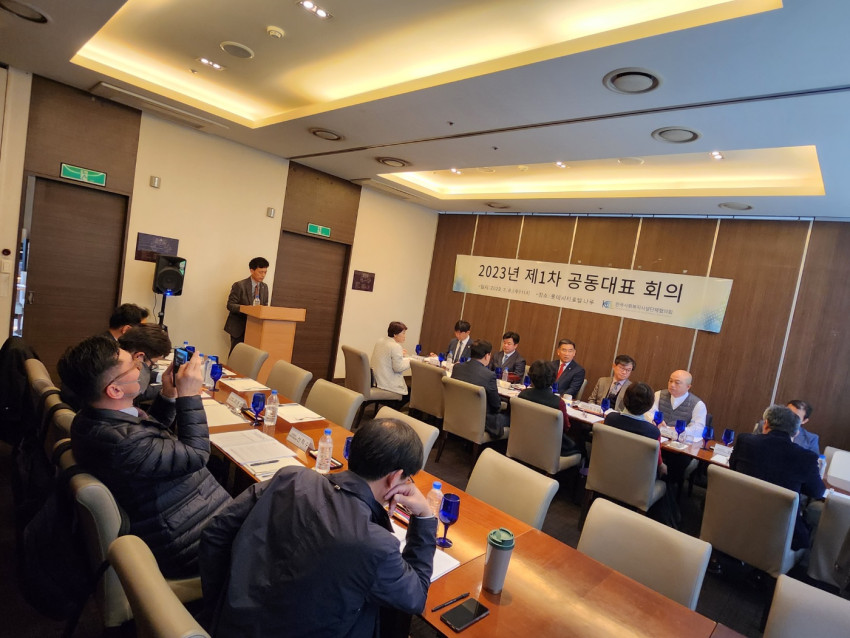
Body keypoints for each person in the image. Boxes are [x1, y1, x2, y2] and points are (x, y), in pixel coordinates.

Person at [199, 418, 437, 638]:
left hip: (232, 624)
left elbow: (217, 532)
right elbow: (416, 598)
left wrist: (219, 606)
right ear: (395, 477)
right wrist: (425, 516)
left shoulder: (291, 477)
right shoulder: (377, 544)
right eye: (407, 479)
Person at [57, 335, 231, 578]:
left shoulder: (95, 418)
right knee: (281, 487)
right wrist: (189, 396)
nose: (141, 368)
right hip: (192, 543)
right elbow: (197, 455)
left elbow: (150, 443)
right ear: (115, 390)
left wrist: (168, 395)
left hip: (187, 514)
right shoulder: (123, 443)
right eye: (134, 366)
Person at [730, 404, 825, 549]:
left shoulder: (745, 441)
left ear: (766, 423)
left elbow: (733, 467)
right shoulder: (806, 457)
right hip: (780, 531)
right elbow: (817, 491)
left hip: (737, 516)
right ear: (796, 432)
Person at [603, 382, 666, 476]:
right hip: (638, 478)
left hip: (607, 471)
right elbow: (657, 460)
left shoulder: (610, 418)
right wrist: (662, 466)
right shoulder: (653, 432)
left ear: (624, 399)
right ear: (649, 405)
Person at [450, 339, 509, 437]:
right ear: (487, 356)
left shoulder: (457, 367)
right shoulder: (489, 375)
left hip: (456, 412)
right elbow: (496, 405)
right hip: (479, 418)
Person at [518, 360, 576, 455]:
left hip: (523, 438)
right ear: (553, 378)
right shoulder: (558, 402)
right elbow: (565, 427)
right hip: (550, 445)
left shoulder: (523, 394)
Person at [117, 323, 172, 405]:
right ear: (139, 356)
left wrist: (160, 377)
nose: (150, 367)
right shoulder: (121, 381)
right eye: (152, 363)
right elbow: (140, 392)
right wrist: (167, 388)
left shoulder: (113, 359)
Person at [224, 257, 270, 352]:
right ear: (252, 271)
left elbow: (265, 306)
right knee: (236, 354)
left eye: (265, 272)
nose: (263, 275)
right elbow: (230, 305)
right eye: (260, 272)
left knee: (251, 356)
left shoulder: (264, 287)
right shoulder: (239, 285)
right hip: (239, 328)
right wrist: (246, 309)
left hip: (256, 328)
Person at [648, 369, 707, 438]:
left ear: (688, 387)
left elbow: (699, 430)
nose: (672, 385)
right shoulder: (658, 394)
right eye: (670, 381)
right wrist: (653, 420)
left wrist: (681, 430)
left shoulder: (698, 405)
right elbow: (649, 413)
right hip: (655, 435)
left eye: (677, 383)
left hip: (679, 440)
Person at [754, 399, 820, 455]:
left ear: (804, 421)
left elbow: (814, 462)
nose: (788, 418)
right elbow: (753, 446)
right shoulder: (765, 425)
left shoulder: (811, 439)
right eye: (787, 413)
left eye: (795, 417)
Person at [371, 321, 410, 399]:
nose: (404, 336)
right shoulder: (395, 346)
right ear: (395, 334)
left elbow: (386, 355)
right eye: (403, 333)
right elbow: (398, 368)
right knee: (409, 395)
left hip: (377, 380)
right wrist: (411, 361)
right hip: (387, 383)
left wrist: (400, 353)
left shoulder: (380, 341)